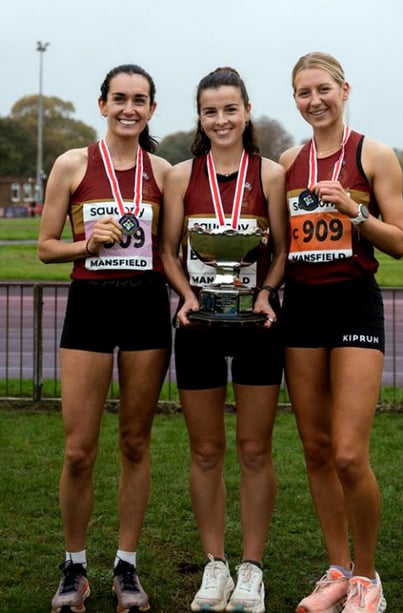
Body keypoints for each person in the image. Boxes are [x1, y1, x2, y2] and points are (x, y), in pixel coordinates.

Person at [37, 64, 172, 613]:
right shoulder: (72, 163)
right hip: (89, 305)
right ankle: (74, 567)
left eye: (139, 100)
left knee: (135, 442)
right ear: (102, 105)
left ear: (151, 110)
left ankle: (126, 567)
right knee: (78, 450)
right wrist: (85, 246)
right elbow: (46, 246)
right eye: (119, 98)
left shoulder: (164, 171)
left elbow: (171, 249)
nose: (129, 109)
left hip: (145, 306)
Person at [279, 52, 403, 613]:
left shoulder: (373, 155)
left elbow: (400, 241)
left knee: (351, 454)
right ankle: (336, 570)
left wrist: (355, 213)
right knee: (316, 449)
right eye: (304, 93)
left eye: (323, 89)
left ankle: (367, 577)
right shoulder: (287, 162)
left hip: (355, 305)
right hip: (303, 307)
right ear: (296, 100)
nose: (315, 101)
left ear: (344, 89)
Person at [161, 67, 289, 613]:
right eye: (210, 111)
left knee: (255, 450)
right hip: (198, 326)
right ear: (200, 116)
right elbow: (167, 250)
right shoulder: (179, 176)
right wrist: (184, 294)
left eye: (230, 109)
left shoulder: (273, 174)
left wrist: (269, 290)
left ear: (246, 111)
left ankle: (252, 569)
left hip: (258, 323)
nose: (221, 120)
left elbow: (282, 249)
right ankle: (214, 566)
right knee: (208, 450)